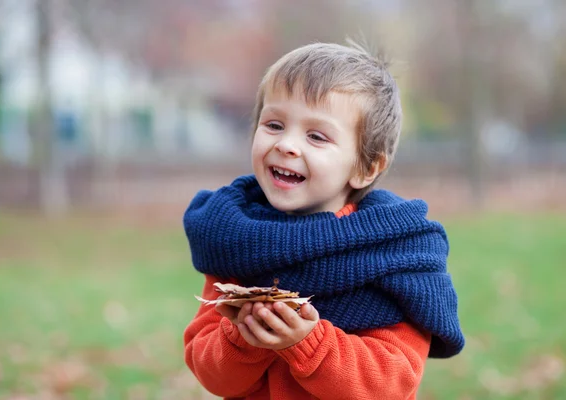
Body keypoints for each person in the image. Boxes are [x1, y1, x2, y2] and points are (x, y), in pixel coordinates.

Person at [183, 41, 464, 400]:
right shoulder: (237, 239)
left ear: (366, 168)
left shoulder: (393, 254)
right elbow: (213, 376)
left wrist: (309, 344)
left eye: (316, 136)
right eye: (274, 124)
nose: (286, 144)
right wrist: (245, 336)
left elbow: (393, 382)